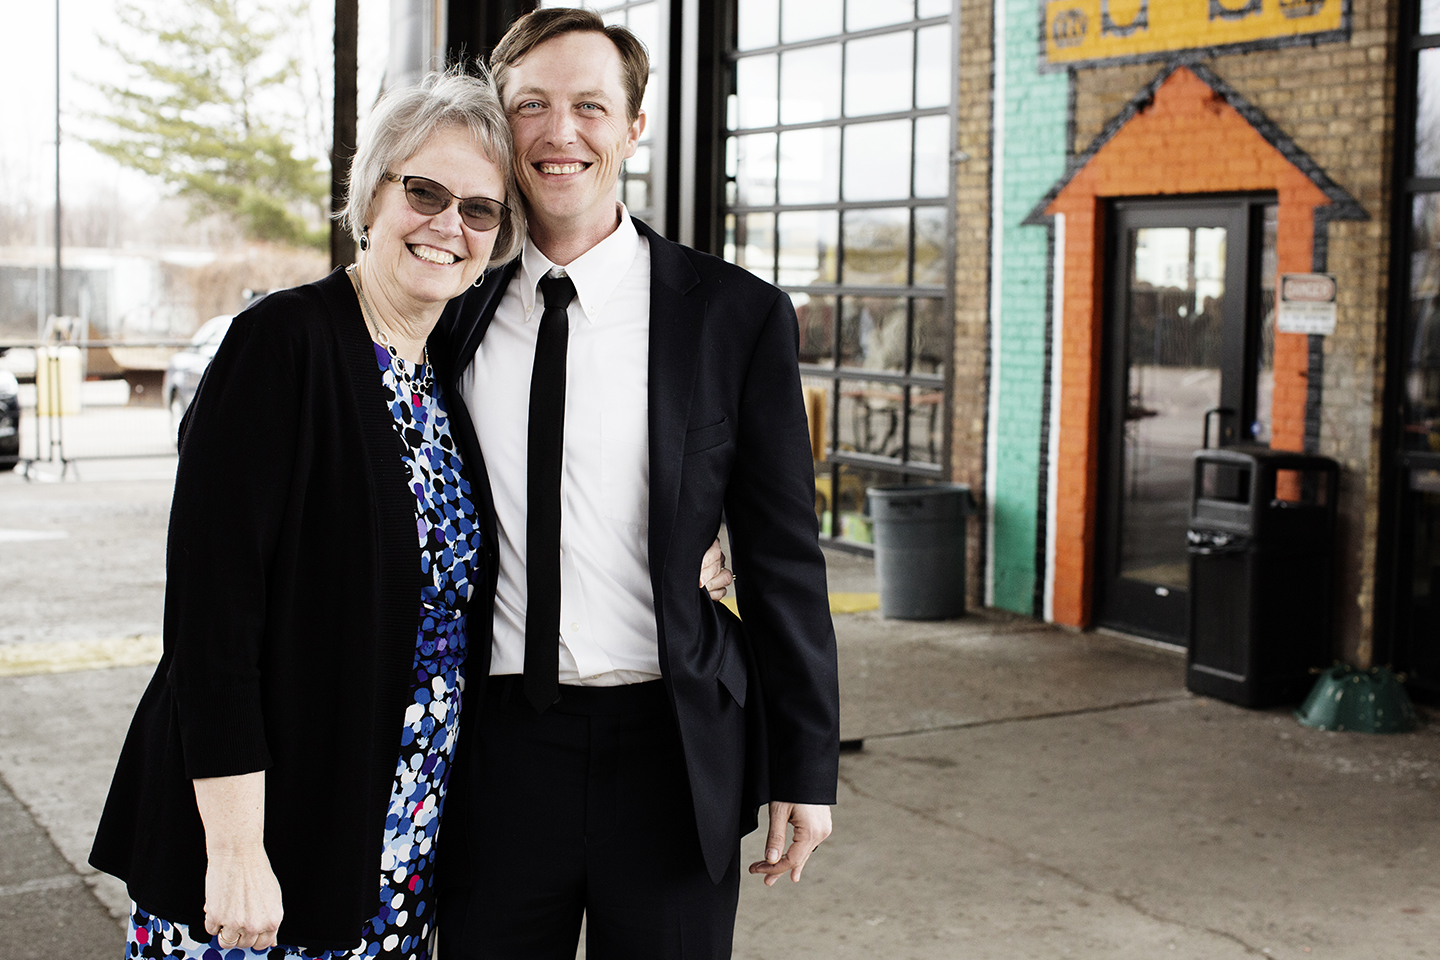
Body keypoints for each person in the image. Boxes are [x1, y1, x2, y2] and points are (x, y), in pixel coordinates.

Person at [88, 68, 730, 960]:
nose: (449, 226)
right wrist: (236, 848)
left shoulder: (439, 378)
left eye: (480, 210)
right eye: (425, 192)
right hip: (274, 837)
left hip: (397, 842)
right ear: (370, 194)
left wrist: (712, 523)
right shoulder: (284, 346)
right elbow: (210, 625)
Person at [434, 9, 840, 959]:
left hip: (673, 747)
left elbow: (784, 557)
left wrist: (806, 766)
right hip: (494, 750)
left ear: (632, 125)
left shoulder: (734, 315)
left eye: (588, 105)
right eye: (529, 105)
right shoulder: (449, 306)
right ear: (501, 123)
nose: (558, 131)